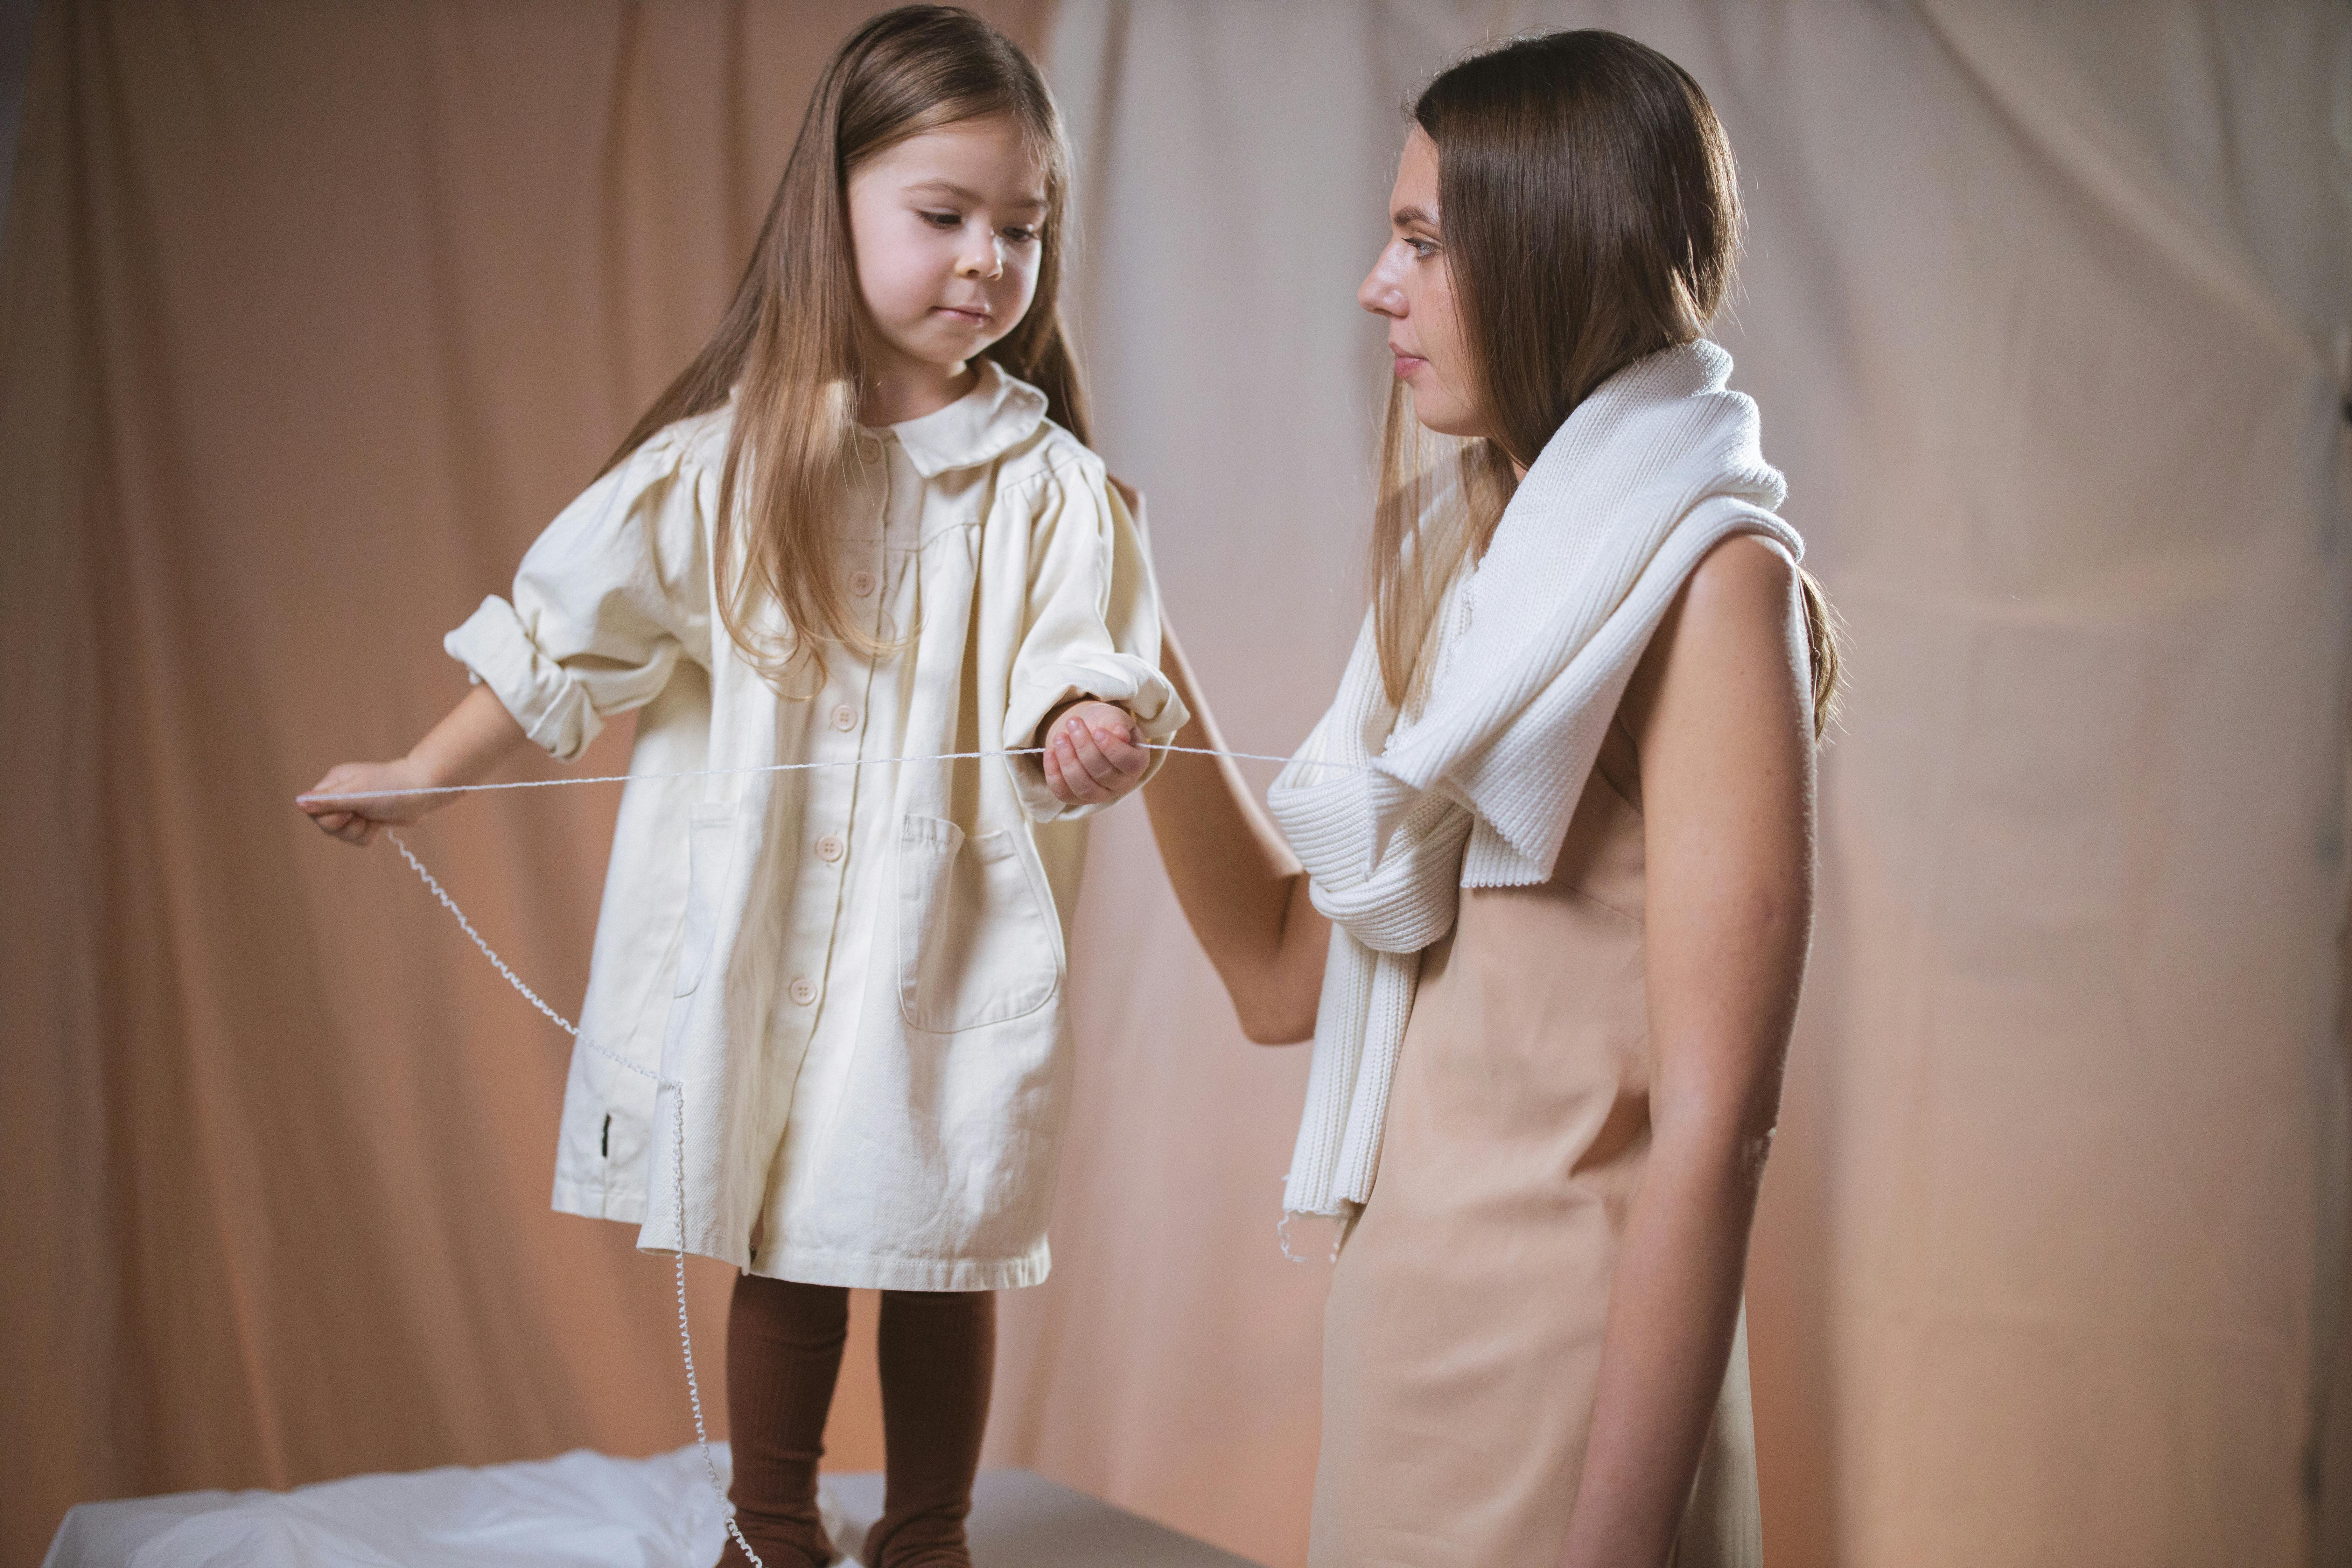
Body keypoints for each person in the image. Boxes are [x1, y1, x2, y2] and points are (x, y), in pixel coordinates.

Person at [295, 9, 1183, 1566]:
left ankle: (927, 1530)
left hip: (943, 936)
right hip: (768, 932)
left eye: (1021, 230)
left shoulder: (1054, 491)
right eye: (943, 217)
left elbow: (1079, 664)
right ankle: (772, 1525)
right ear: (833, 206)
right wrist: (423, 780)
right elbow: (562, 634)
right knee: (787, 1225)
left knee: (934, 1224)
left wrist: (1087, 729)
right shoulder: (733, 461)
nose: (985, 261)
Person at [1060, 28, 1841, 1568]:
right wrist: (1138, 642)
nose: (1376, 283)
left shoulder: (1717, 587)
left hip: (1581, 1416)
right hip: (1402, 1383)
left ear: (1552, 255)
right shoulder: (1461, 565)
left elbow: (1718, 1128)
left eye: (1422, 240)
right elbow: (1286, 975)